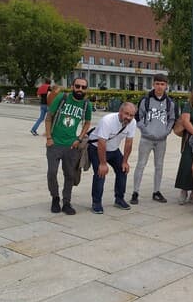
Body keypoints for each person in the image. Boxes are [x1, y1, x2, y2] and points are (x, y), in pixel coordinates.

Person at [45, 78, 92, 215]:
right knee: (52, 173)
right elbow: (49, 117)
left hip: (72, 146)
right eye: (77, 86)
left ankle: (66, 202)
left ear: (86, 89)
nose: (80, 89)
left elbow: (87, 122)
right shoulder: (62, 97)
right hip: (54, 143)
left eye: (83, 87)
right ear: (72, 86)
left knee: (70, 174)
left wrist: (79, 138)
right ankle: (55, 197)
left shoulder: (86, 104)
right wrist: (49, 138)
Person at [131, 74, 176, 205]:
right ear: (153, 84)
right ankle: (135, 192)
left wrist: (166, 132)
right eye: (157, 83)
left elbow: (172, 119)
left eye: (162, 84)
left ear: (166, 85)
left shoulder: (170, 102)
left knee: (159, 166)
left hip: (161, 139)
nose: (160, 86)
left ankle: (156, 191)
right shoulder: (146, 100)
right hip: (146, 139)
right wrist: (146, 131)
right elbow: (138, 117)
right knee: (141, 164)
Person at [87, 102, 136, 214]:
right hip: (97, 149)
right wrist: (103, 164)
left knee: (122, 170)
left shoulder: (132, 123)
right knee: (101, 173)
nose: (128, 117)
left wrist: (125, 161)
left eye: (131, 115)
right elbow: (101, 143)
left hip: (113, 150)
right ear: (120, 112)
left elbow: (129, 143)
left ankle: (119, 199)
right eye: (126, 114)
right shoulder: (107, 120)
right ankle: (96, 202)